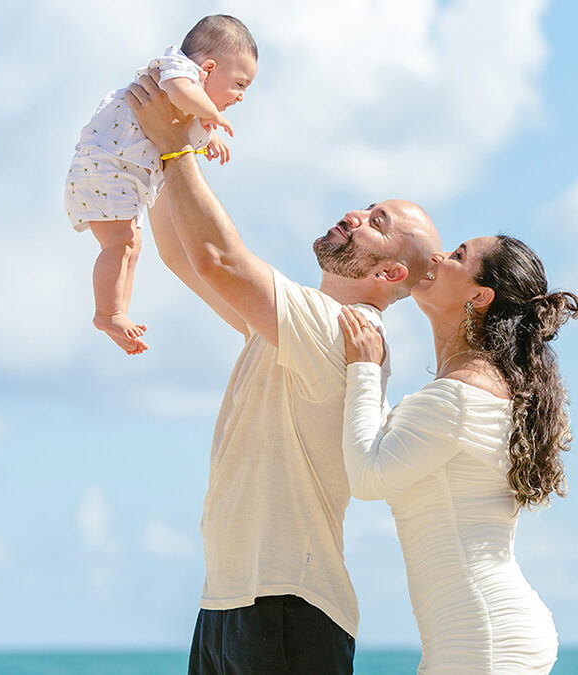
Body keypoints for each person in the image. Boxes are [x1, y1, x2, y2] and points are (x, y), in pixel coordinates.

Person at [123, 70, 443, 673]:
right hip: (234, 598)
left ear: (391, 275)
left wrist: (173, 143)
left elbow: (218, 260)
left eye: (378, 223)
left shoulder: (339, 327)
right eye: (367, 207)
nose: (355, 215)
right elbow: (182, 254)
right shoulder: (293, 326)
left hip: (288, 606)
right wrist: (161, 141)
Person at [339, 235, 578, 674]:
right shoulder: (473, 386)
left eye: (457, 256)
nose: (438, 256)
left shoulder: (461, 394)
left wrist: (364, 369)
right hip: (481, 635)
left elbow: (368, 477)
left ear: (480, 295)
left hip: (482, 642)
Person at [64, 15, 257, 355]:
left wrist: (205, 134)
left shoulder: (190, 99)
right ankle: (107, 313)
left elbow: (178, 127)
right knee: (120, 243)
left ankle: (115, 312)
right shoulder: (178, 70)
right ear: (208, 68)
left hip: (119, 174)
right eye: (240, 84)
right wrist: (211, 114)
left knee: (129, 244)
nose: (241, 97)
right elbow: (181, 92)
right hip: (106, 169)